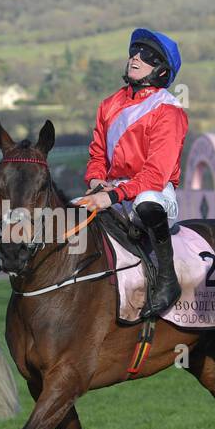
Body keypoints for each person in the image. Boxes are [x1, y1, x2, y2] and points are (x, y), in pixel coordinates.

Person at [80, 28, 188, 318]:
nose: (136, 58)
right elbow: (97, 154)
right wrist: (95, 180)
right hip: (112, 190)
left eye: (147, 56)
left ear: (162, 71)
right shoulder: (108, 105)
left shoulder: (169, 110)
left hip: (153, 191)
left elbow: (155, 175)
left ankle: (167, 279)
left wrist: (111, 195)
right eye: (135, 52)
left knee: (146, 203)